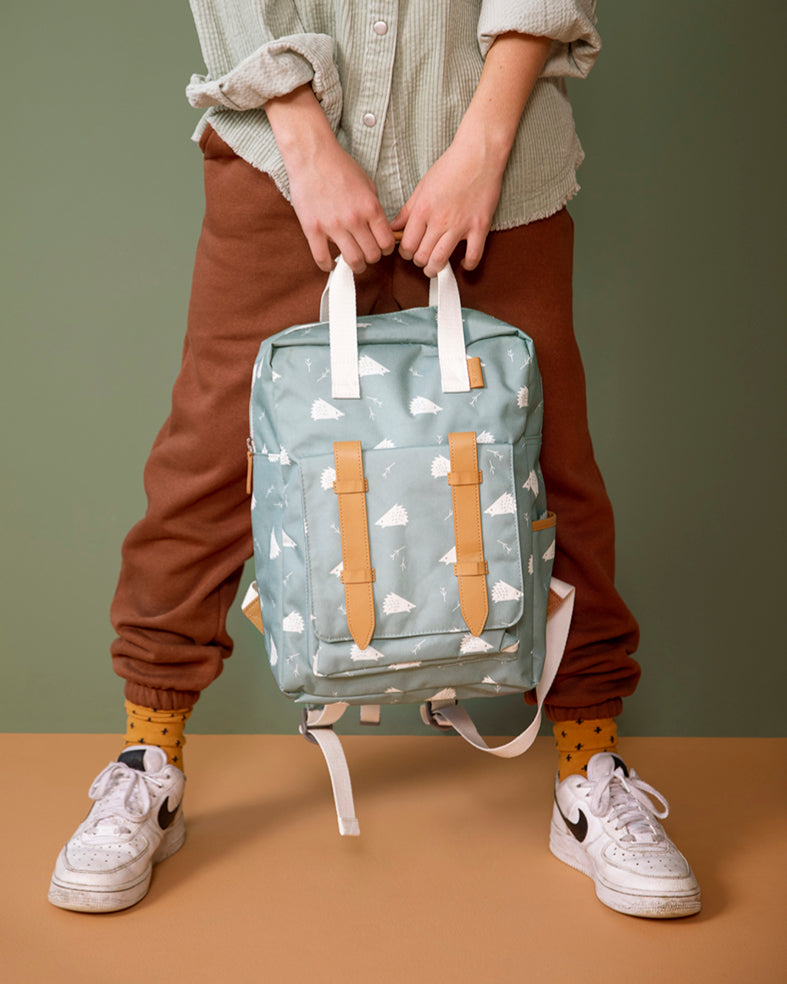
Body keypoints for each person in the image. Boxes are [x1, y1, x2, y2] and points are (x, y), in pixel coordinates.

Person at [48, 1, 701, 918]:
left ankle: (589, 775)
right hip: (280, 169)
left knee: (545, 473)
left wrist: (482, 147)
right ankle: (147, 763)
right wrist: (305, 141)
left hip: (497, 169)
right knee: (207, 468)